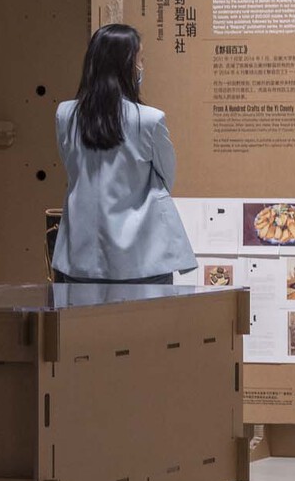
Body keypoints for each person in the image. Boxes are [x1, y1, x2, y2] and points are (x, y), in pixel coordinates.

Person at [51, 23, 197, 285]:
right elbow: (166, 177)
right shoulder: (150, 120)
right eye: (140, 59)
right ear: (127, 65)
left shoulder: (66, 115)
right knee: (143, 325)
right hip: (144, 254)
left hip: (79, 252)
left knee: (82, 325)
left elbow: (69, 165)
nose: (142, 67)